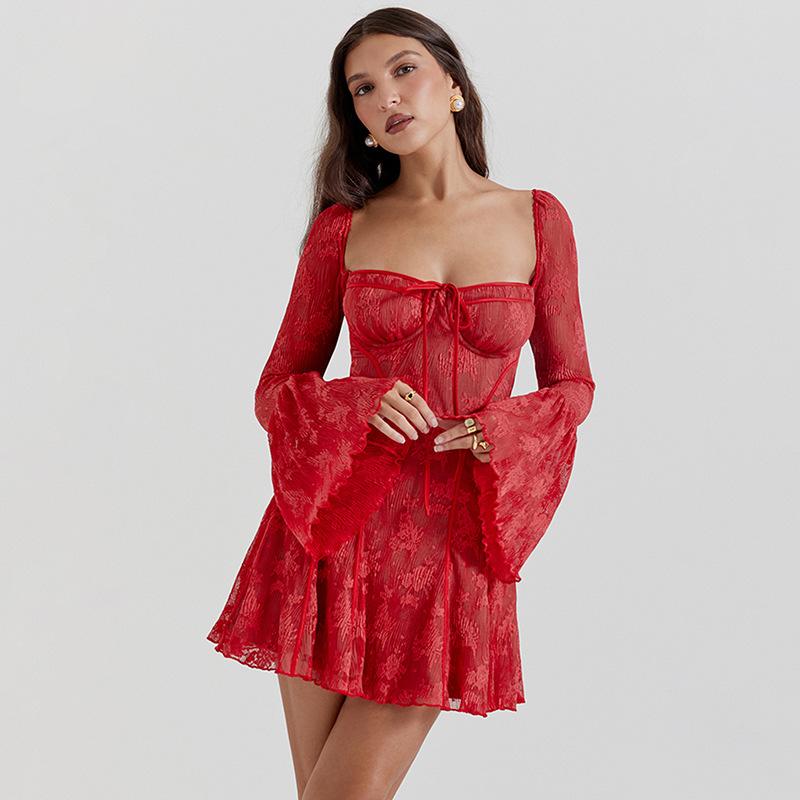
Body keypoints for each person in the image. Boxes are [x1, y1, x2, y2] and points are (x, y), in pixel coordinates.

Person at [207, 8, 596, 799]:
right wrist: (357, 403)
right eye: (362, 88)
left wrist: (500, 428)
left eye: (404, 69)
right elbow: (275, 388)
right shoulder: (343, 230)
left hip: (449, 550)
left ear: (454, 85)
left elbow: (573, 387)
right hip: (328, 536)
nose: (386, 95)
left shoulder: (537, 220)